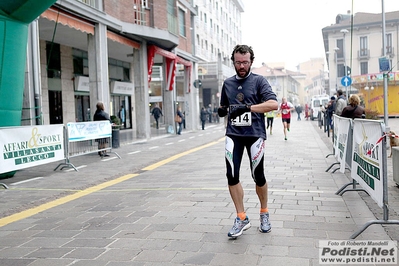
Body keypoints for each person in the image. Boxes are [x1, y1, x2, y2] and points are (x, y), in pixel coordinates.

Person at [218, 44, 278, 238]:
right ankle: (241, 216)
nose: (241, 65)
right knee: (231, 175)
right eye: (238, 62)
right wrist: (221, 110)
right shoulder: (227, 83)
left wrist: (247, 108)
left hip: (255, 134)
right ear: (233, 62)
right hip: (234, 135)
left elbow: (273, 104)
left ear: (251, 61)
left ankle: (264, 212)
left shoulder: (259, 81)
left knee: (258, 175)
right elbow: (225, 106)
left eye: (245, 62)